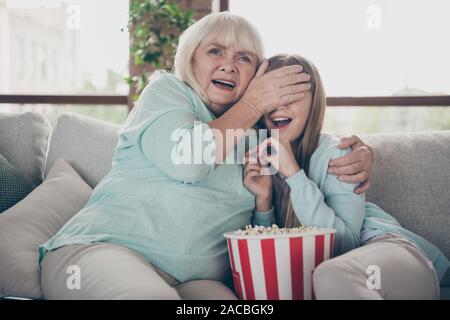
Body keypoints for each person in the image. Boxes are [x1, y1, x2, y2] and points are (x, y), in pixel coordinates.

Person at [38, 12, 373, 300]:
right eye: (216, 51)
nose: (228, 65)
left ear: (256, 76)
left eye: (244, 58)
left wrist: (360, 152)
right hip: (105, 250)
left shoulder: (258, 133)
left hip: (197, 283)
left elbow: (306, 141)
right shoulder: (167, 93)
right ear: (191, 59)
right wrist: (253, 103)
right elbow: (191, 161)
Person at [243, 54, 449, 300]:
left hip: (387, 253)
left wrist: (294, 175)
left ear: (314, 101)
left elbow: (344, 243)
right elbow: (267, 257)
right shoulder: (263, 159)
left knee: (331, 275)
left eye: (292, 95)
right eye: (272, 96)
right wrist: (264, 202)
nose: (280, 106)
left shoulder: (337, 151)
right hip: (344, 284)